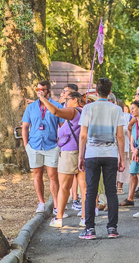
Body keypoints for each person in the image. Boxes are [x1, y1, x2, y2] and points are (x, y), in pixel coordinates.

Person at [77, 78, 125, 239]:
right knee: (111, 191)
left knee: (90, 191)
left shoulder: (88, 108)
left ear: (96, 92)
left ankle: (89, 229)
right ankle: (112, 228)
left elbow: (83, 135)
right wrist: (122, 158)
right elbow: (120, 136)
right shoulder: (116, 109)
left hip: (91, 153)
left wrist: (80, 155)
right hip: (110, 154)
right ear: (110, 92)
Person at [41, 91, 87, 228]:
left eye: (67, 99)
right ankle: (85, 218)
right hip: (82, 152)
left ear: (75, 100)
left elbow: (55, 111)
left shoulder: (73, 111)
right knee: (84, 188)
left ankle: (59, 217)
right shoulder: (84, 112)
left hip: (70, 153)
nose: (65, 102)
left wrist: (42, 99)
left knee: (64, 187)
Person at [22, 80, 63, 214]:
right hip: (34, 145)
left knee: (53, 175)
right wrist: (26, 144)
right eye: (37, 89)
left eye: (42, 89)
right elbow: (25, 126)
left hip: (51, 145)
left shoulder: (56, 106)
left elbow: (63, 127)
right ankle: (41, 202)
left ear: (48, 91)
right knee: (37, 174)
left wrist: (59, 143)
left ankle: (56, 205)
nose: (39, 92)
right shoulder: (31, 107)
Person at [120, 86, 139, 207]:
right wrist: (133, 147)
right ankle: (130, 198)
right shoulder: (135, 111)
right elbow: (130, 127)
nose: (137, 96)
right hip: (136, 145)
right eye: (136, 94)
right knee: (134, 172)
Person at [116, 99, 130, 195]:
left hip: (124, 143)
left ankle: (120, 186)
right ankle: (115, 185)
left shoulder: (126, 116)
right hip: (114, 144)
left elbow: (127, 129)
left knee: (123, 165)